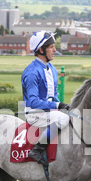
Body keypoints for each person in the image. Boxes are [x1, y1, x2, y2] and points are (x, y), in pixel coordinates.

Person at [21, 30, 70, 167]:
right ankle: (37, 150)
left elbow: (53, 97)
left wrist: (62, 105)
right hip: (34, 113)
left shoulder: (52, 69)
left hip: (47, 112)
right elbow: (33, 102)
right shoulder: (31, 72)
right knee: (63, 118)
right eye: (51, 47)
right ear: (41, 50)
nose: (55, 50)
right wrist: (57, 106)